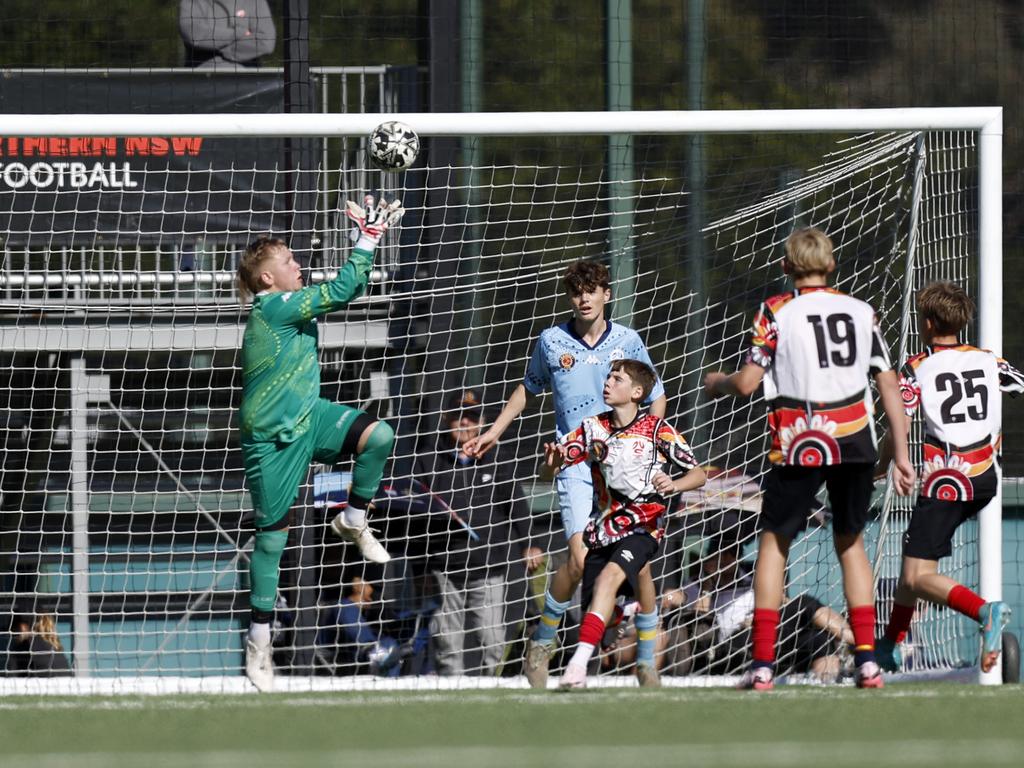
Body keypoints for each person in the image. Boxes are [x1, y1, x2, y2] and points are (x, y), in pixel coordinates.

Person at [704, 226, 915, 690]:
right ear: (832, 265)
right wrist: (900, 452)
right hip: (853, 441)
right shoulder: (862, 312)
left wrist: (717, 380)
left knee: (774, 544)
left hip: (799, 439)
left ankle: (762, 664)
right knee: (850, 543)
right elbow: (887, 385)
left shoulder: (775, 310)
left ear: (786, 267)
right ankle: (866, 661)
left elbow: (746, 384)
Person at [464, 260, 667, 688]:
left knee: (639, 567)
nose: (584, 298)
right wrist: (493, 431)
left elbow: (657, 397)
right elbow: (528, 388)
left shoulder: (629, 340)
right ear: (570, 297)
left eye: (592, 290)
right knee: (577, 560)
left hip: (624, 469)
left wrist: (646, 444)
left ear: (606, 295)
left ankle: (646, 658)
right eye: (576, 291)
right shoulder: (551, 341)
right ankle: (541, 646)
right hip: (574, 464)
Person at [235, 195, 404, 692]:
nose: (297, 265)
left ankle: (353, 518)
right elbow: (348, 286)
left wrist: (363, 239)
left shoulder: (288, 300)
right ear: (268, 279)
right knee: (273, 540)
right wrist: (368, 239)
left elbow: (335, 287)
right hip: (273, 438)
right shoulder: (275, 306)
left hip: (311, 416)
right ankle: (259, 642)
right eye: (288, 262)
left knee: (380, 435)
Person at [875, 281, 1023, 674]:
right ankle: (890, 644)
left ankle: (985, 612)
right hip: (986, 478)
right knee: (914, 564)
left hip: (946, 479)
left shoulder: (918, 366)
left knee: (917, 575)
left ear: (926, 323)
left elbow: (898, 425)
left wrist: (883, 464)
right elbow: (1017, 384)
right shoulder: (989, 359)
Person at [542, 359, 706, 688]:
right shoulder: (593, 428)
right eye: (608, 377)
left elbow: (698, 474)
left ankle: (578, 666)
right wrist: (553, 462)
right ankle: (631, 633)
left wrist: (674, 484)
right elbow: (551, 471)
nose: (608, 382)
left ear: (636, 392)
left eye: (617, 379)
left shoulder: (658, 430)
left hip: (646, 526)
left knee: (611, 579)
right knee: (608, 603)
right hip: (604, 528)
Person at [415, 390, 539, 676]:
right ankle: (453, 703)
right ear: (447, 419)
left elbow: (516, 504)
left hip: (487, 566)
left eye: (471, 418)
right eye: (458, 417)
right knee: (447, 645)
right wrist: (418, 569)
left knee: (493, 641)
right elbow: (414, 518)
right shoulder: (427, 459)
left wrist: (530, 544)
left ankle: (494, 698)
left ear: (482, 422)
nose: (464, 423)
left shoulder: (495, 456)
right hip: (441, 569)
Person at [661, 536, 852, 682]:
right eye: (720, 554)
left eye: (731, 554)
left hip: (764, 631)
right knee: (805, 604)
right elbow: (680, 603)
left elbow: (783, 602)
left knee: (818, 638)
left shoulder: (753, 578)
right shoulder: (697, 584)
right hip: (729, 645)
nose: (726, 560)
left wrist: (763, 611)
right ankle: (857, 640)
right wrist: (708, 583)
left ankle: (826, 685)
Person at [6, 613, 72, 677]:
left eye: (13, 629)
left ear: (23, 627)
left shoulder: (24, 648)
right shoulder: (55, 648)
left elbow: (11, 681)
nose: (12, 637)